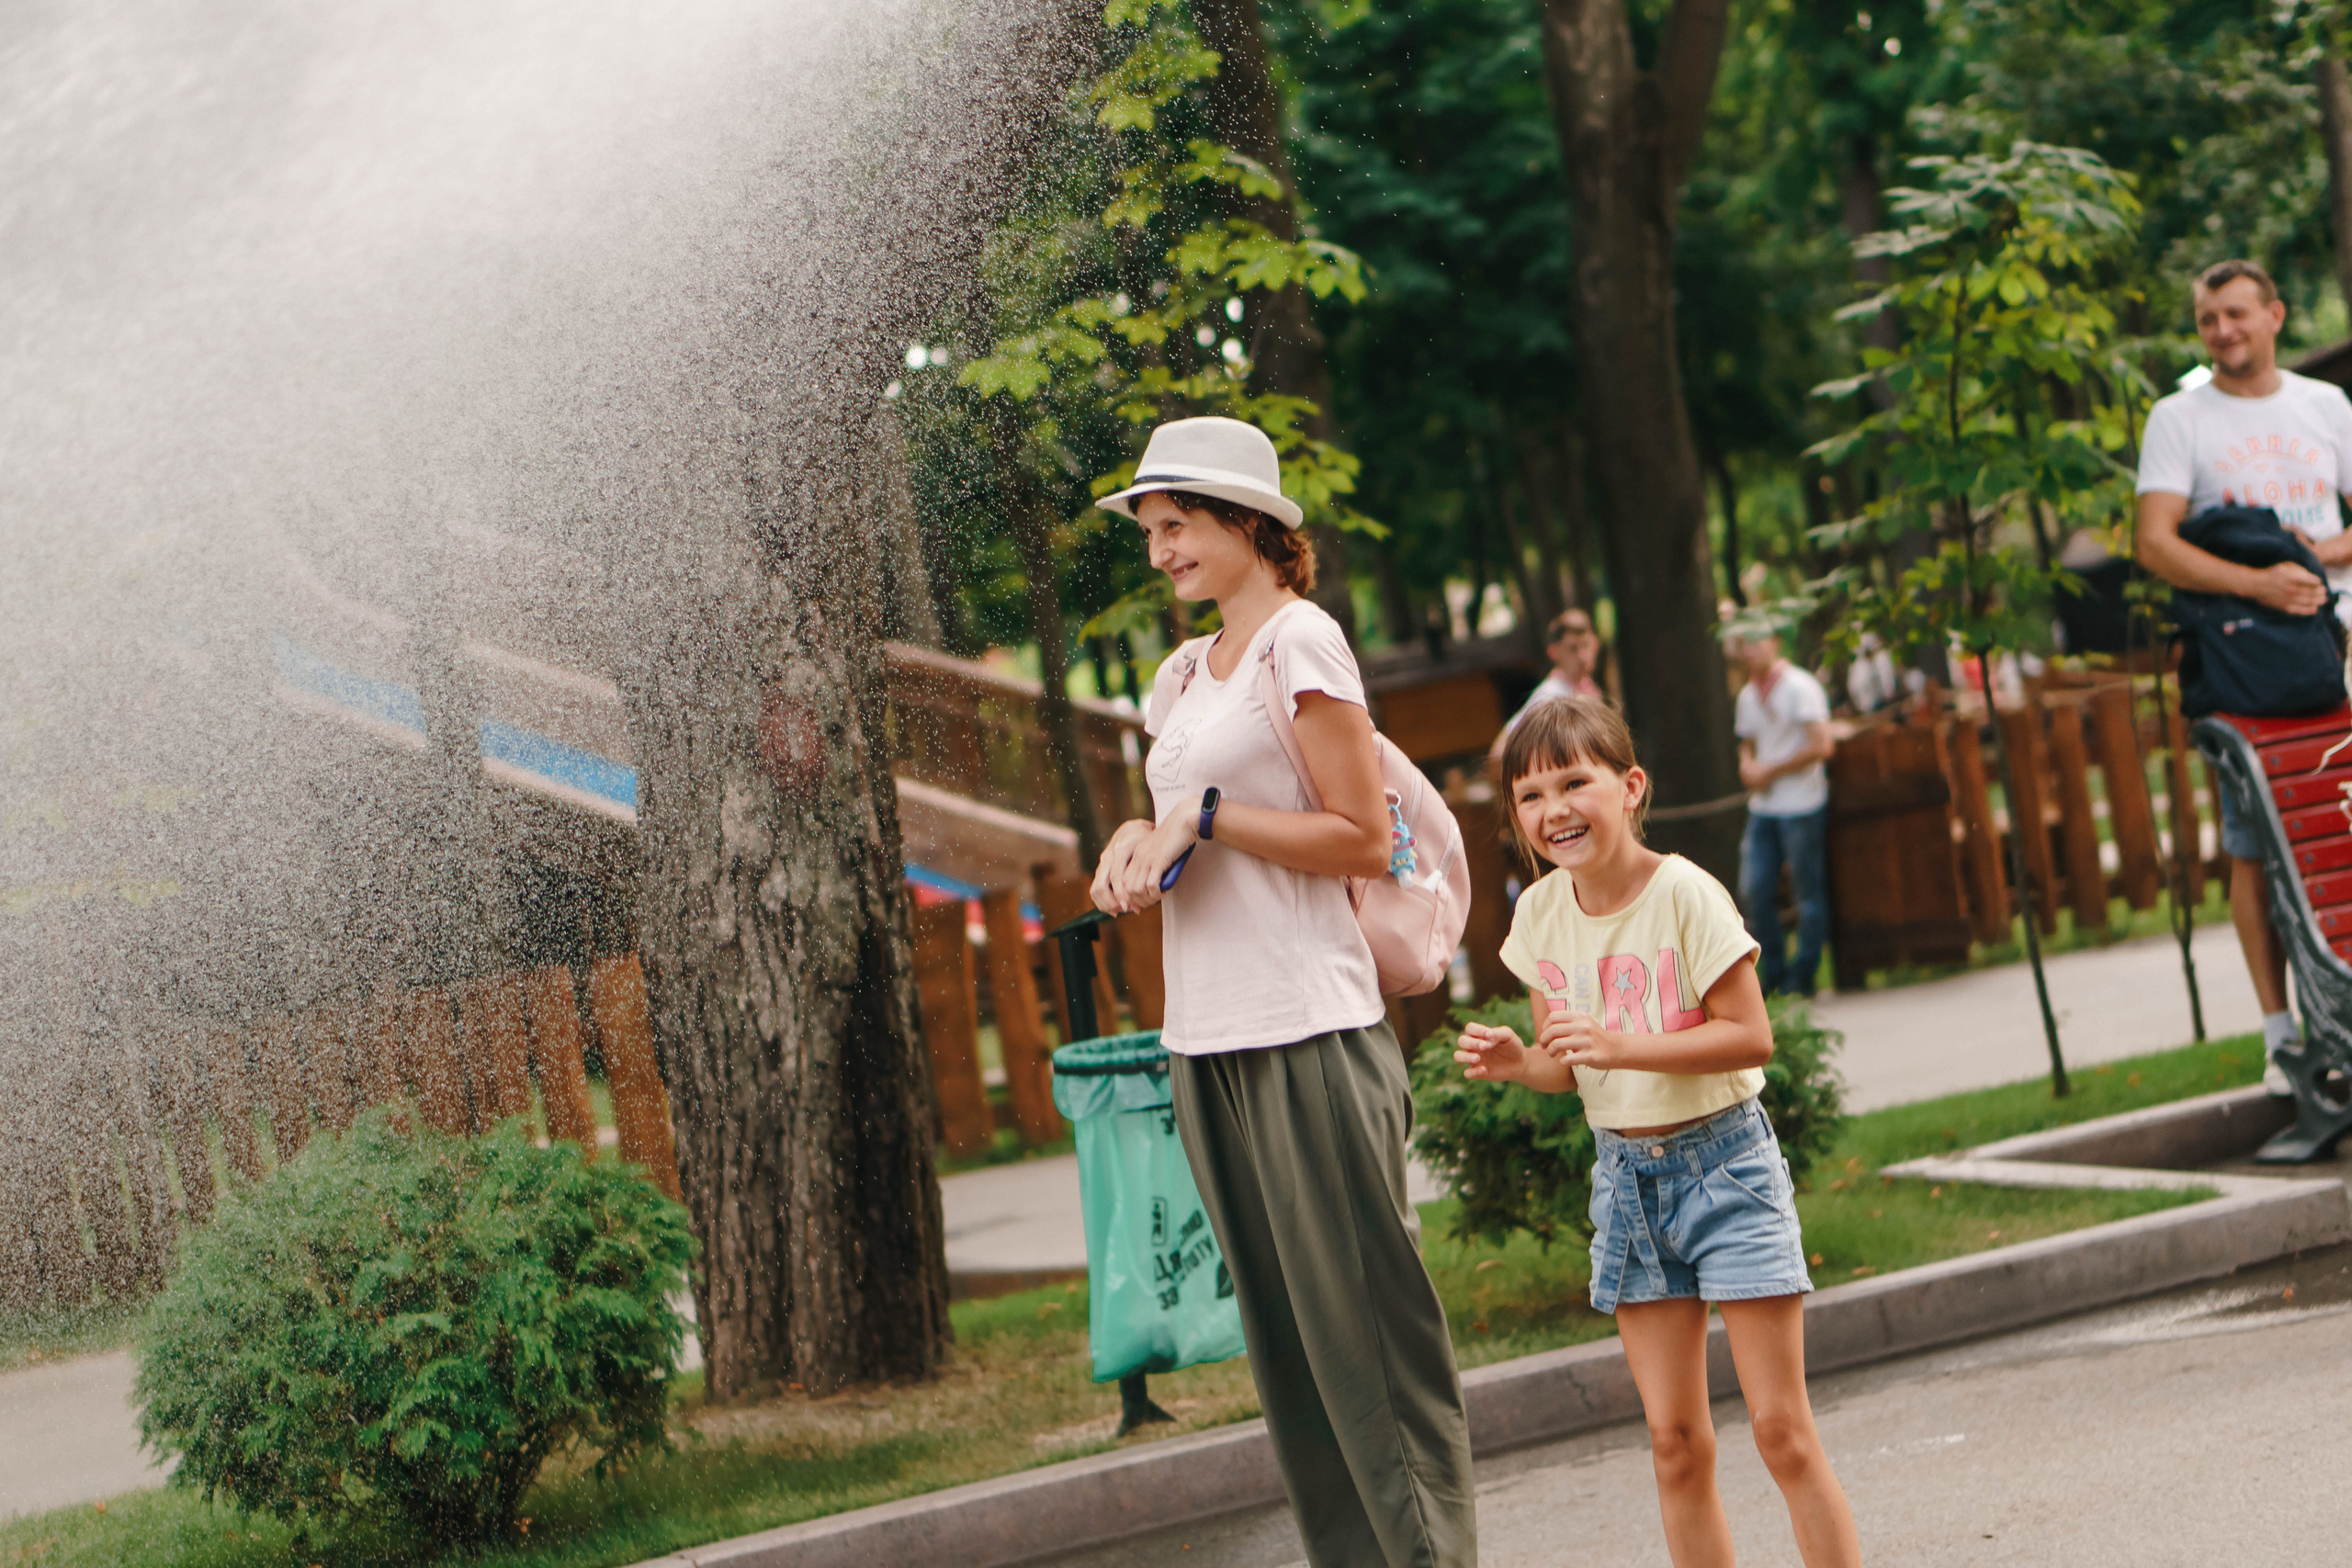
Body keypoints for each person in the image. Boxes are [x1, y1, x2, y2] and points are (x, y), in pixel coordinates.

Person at [1090, 415, 1477, 1568]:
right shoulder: (1177, 676)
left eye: (1180, 526)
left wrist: (1206, 819)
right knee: (1295, 1361)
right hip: (1205, 1041)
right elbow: (1184, 818)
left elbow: (1363, 839)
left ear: (1248, 524)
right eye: (1151, 533)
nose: (1161, 552)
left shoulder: (1298, 643)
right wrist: (1139, 840)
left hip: (1311, 1030)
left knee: (1369, 1347)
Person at [1455, 696, 1860, 1568]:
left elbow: (1752, 1035)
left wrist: (1622, 1043)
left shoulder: (1684, 892)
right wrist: (1521, 1063)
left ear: (1629, 786)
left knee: (1781, 1429)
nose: (1553, 808)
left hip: (1728, 1167)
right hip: (1628, 1183)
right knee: (1675, 1441)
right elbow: (1569, 1065)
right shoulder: (1539, 916)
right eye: (1529, 796)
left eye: (1574, 781)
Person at [2136, 257, 2349, 1095]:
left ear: (2275, 315)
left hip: (2335, 648)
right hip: (2245, 661)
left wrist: (2317, 554)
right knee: (2255, 844)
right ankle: (2279, 1034)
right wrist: (2261, 581)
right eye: (2206, 320)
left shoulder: (2323, 405)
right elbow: (2157, 544)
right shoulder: (2180, 418)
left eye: (2235, 314)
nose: (2221, 331)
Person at [1732, 631, 1835, 997]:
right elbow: (1747, 742)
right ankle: (1772, 974)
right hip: (1763, 808)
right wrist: (1747, 765)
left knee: (1807, 893)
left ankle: (1803, 975)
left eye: (1758, 640)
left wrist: (1768, 771)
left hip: (1801, 804)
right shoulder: (1747, 695)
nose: (1751, 648)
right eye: (1746, 641)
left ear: (1774, 642)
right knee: (1754, 890)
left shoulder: (1800, 687)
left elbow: (1821, 745)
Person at [1490, 606, 1606, 762]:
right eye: (1572, 648)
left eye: (1585, 645)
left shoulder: (1586, 689)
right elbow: (1499, 753)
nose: (1582, 656)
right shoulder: (1554, 694)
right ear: (1553, 652)